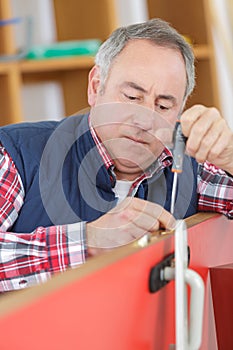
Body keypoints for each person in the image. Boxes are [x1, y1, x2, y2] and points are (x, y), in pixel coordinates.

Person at [0, 18, 232, 292]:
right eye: (132, 97)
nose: (145, 119)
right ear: (96, 87)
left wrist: (230, 157)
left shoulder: (190, 168)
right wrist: (88, 242)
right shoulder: (16, 154)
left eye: (164, 105)